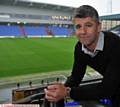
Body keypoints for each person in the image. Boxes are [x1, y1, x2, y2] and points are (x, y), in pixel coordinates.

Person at [44, 5, 120, 107]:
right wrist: (59, 90)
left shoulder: (115, 44)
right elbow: (76, 77)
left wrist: (67, 92)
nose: (83, 32)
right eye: (78, 26)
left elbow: (107, 88)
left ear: (98, 27)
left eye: (88, 25)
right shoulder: (80, 48)